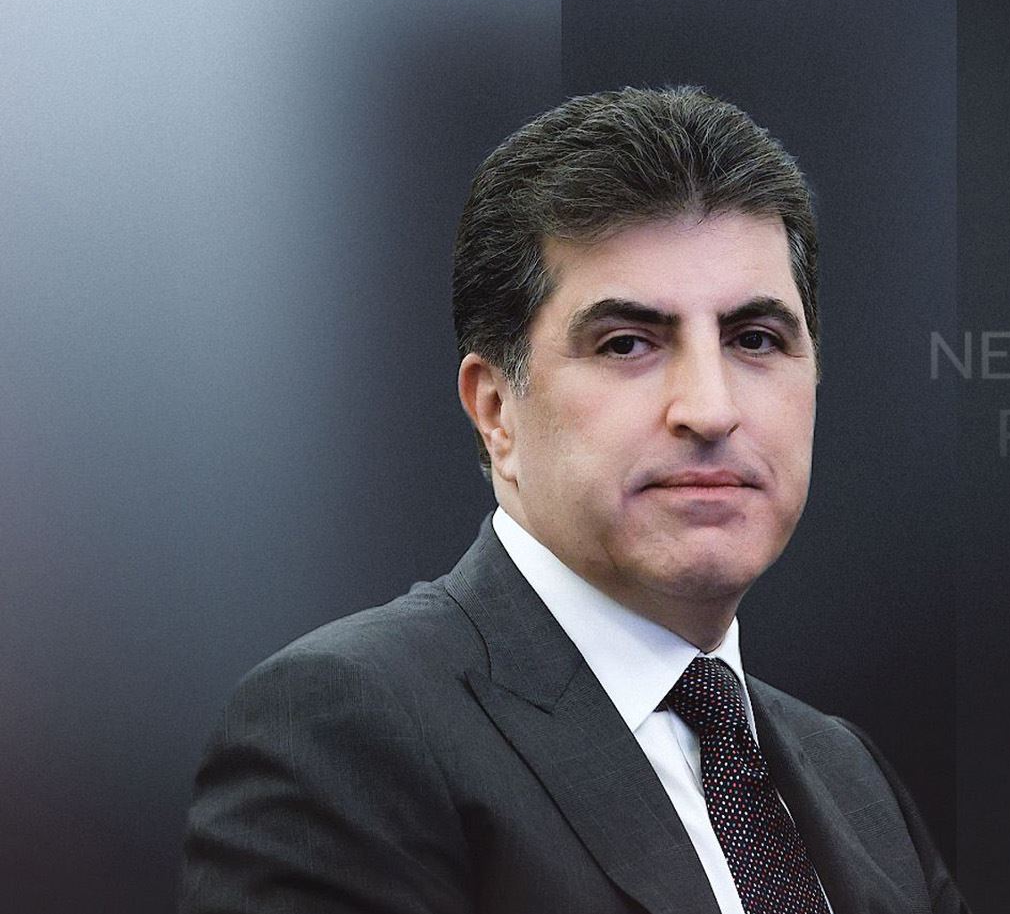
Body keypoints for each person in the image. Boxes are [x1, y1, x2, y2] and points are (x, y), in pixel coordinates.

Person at [179, 86, 967, 914]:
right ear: (496, 411)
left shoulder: (853, 779)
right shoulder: (346, 734)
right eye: (627, 344)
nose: (711, 408)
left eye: (755, 339)